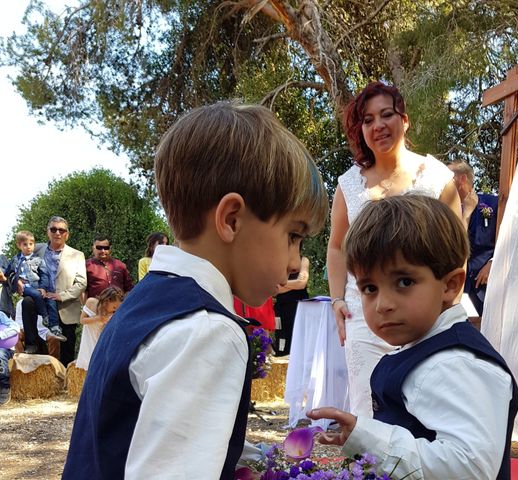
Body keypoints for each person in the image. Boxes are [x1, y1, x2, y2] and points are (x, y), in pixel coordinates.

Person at [63, 101, 328, 479]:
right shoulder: (207, 332)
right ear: (231, 220)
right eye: (294, 236)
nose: (293, 262)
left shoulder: (146, 302)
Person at [309, 194, 518, 480]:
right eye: (369, 288)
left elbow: (470, 469)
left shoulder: (456, 364)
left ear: (450, 285)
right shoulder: (423, 348)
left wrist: (370, 438)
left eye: (404, 282)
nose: (383, 304)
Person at [327, 81, 461, 417]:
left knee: (425, 410)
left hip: (427, 315)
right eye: (368, 120)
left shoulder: (437, 178)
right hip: (365, 315)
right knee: (367, 410)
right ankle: (367, 471)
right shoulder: (348, 186)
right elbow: (336, 246)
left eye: (387, 114)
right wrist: (337, 299)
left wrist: (447, 306)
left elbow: (458, 249)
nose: (378, 125)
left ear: (404, 120)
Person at [20, 217, 86, 364]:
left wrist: (60, 296)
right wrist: (17, 280)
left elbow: (81, 282)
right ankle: (31, 345)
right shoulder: (35, 249)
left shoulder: (77, 255)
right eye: (53, 229)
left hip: (65, 305)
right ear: (47, 232)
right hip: (41, 300)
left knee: (66, 350)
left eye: (61, 230)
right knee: (27, 302)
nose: (57, 233)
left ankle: (66, 383)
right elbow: (18, 264)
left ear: (67, 234)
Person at [448, 160, 498, 316]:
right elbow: (454, 246)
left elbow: (508, 238)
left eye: (448, 178)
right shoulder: (446, 210)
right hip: (457, 286)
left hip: (487, 284)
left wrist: (493, 263)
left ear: (462, 179)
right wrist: (467, 214)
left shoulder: (494, 203)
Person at [4, 231, 66, 342]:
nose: (28, 247)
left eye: (31, 244)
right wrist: (16, 280)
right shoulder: (15, 260)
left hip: (37, 286)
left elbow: (44, 274)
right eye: (25, 244)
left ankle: (55, 327)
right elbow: (7, 273)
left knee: (50, 300)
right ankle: (45, 316)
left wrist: (43, 287)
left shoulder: (38, 260)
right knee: (35, 295)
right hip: (25, 288)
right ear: (19, 245)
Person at [75, 286, 125, 370]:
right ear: (107, 301)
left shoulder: (112, 315)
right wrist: (99, 319)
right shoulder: (91, 302)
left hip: (100, 343)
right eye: (114, 307)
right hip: (88, 341)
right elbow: (82, 320)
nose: (115, 310)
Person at [273, 256, 309, 356]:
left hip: (300, 309)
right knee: (282, 341)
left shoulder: (303, 260)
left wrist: (282, 284)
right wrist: (295, 284)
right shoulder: (278, 260)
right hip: (282, 309)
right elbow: (275, 289)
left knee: (300, 341)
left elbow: (302, 283)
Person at [0, 311, 20, 406]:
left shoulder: (1, 315)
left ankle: (4, 385)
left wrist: (1, 335)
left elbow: (15, 328)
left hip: (4, 348)